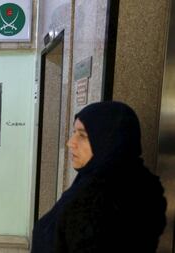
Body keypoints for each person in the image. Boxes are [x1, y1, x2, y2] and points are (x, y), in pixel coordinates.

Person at [32, 101, 167, 253]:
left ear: (108, 140)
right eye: (74, 132)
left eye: (82, 135)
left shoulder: (99, 203)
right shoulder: (134, 182)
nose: (71, 143)